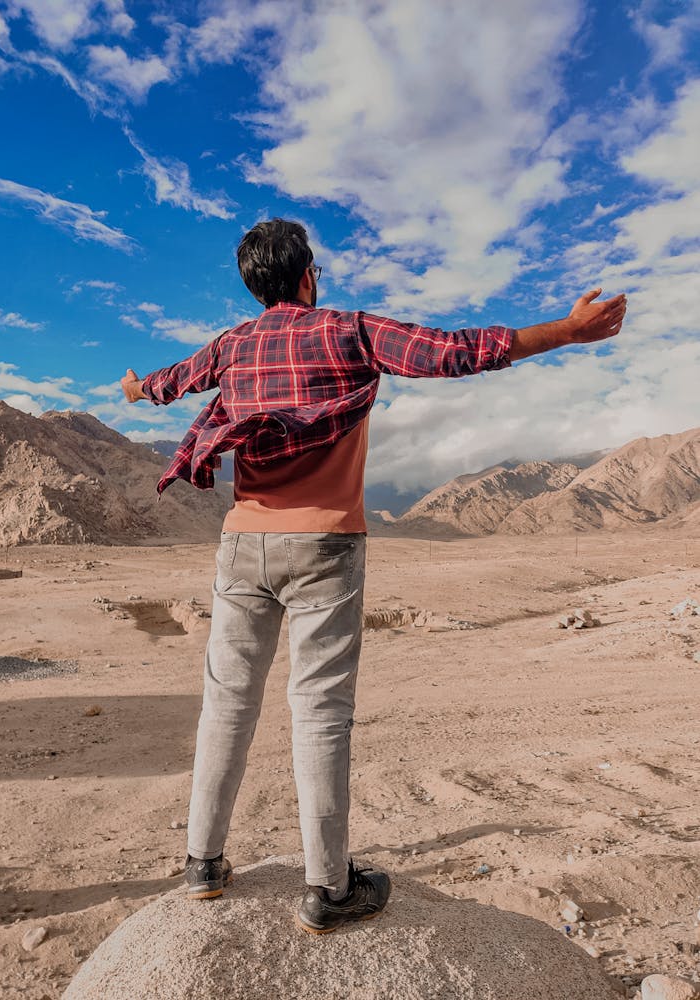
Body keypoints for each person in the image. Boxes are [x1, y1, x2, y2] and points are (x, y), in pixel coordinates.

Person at [120, 218, 626, 934]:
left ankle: (203, 863)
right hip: (325, 546)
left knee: (227, 703)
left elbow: (171, 384)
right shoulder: (347, 331)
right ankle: (327, 888)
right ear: (306, 277)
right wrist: (567, 332)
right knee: (319, 711)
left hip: (242, 548)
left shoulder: (232, 345)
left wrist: (138, 389)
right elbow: (456, 352)